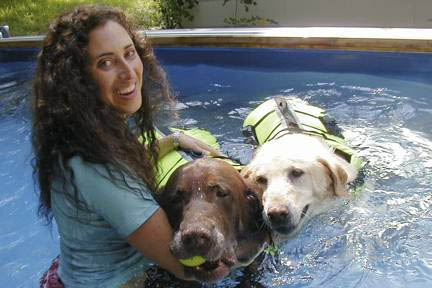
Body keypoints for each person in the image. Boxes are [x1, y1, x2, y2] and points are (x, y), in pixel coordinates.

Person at [32, 5, 222, 287]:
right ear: (78, 80)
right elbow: (189, 267)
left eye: (129, 53)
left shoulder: (82, 136)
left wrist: (175, 140)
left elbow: (130, 163)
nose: (128, 72)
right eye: (105, 63)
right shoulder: (99, 168)